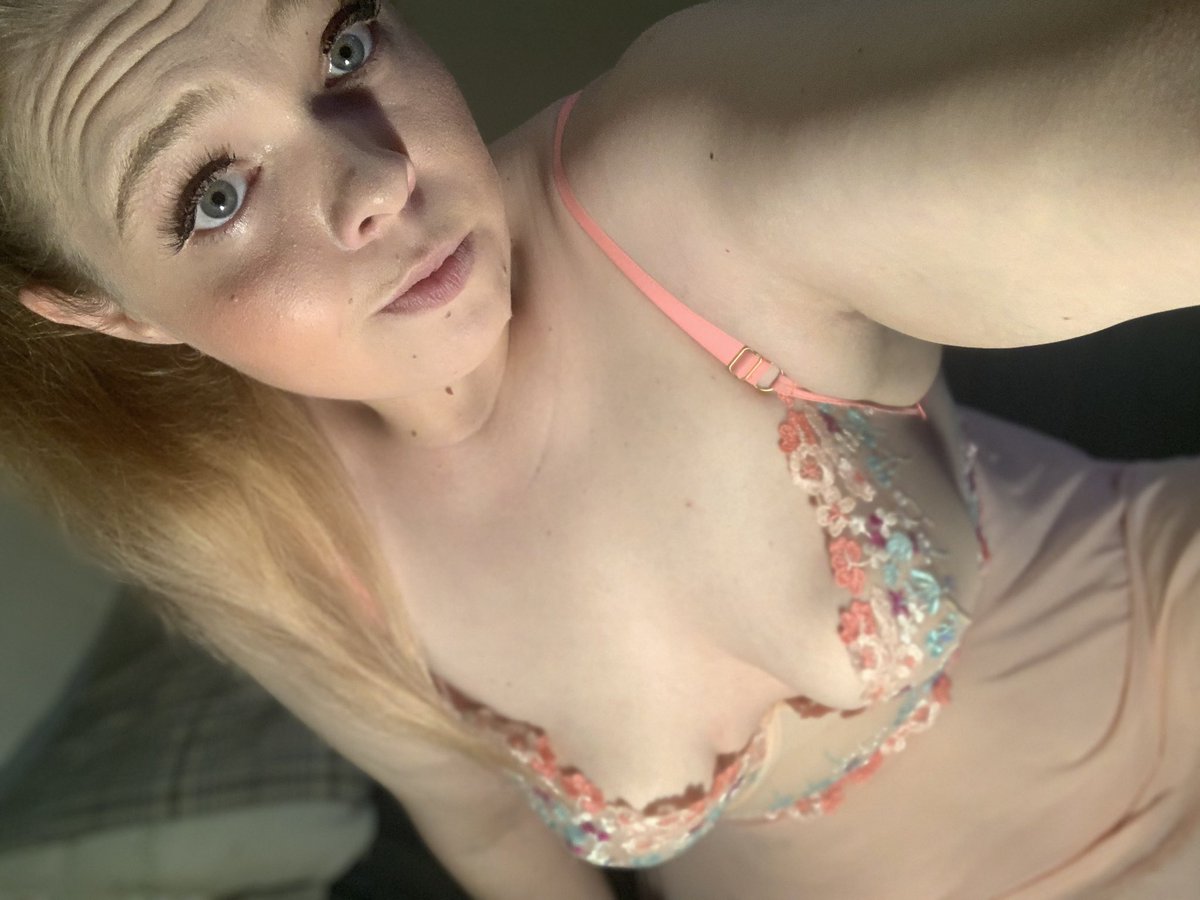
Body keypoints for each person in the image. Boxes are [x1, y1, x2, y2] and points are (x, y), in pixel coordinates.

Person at [3, 0, 1200, 897]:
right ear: (116, 312)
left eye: (345, 44)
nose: (377, 178)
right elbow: (482, 821)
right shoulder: (272, 538)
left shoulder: (666, 188)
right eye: (216, 195)